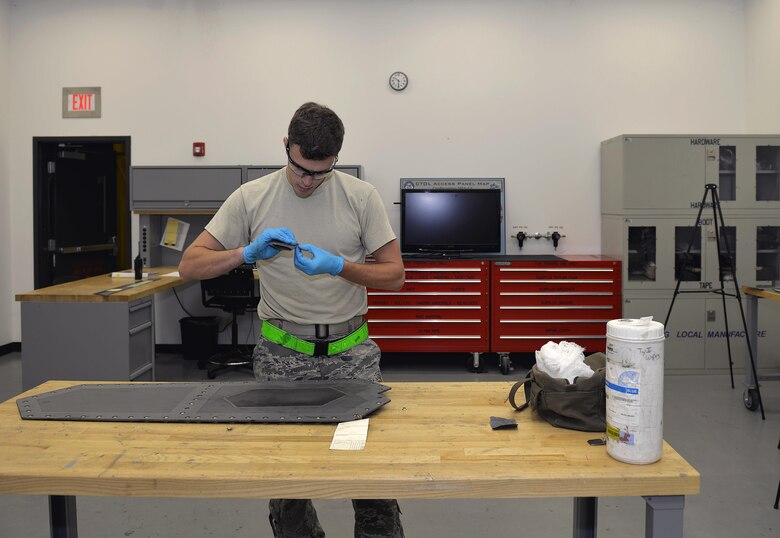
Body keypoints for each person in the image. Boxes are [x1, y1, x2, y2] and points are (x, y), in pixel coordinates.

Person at [179, 102, 406, 538]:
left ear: (336, 159)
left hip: (351, 357)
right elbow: (190, 266)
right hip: (282, 355)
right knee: (286, 484)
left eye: (320, 173)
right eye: (300, 168)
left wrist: (338, 266)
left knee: (371, 477)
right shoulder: (251, 197)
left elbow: (394, 276)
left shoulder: (362, 197)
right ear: (287, 146)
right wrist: (245, 254)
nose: (307, 181)